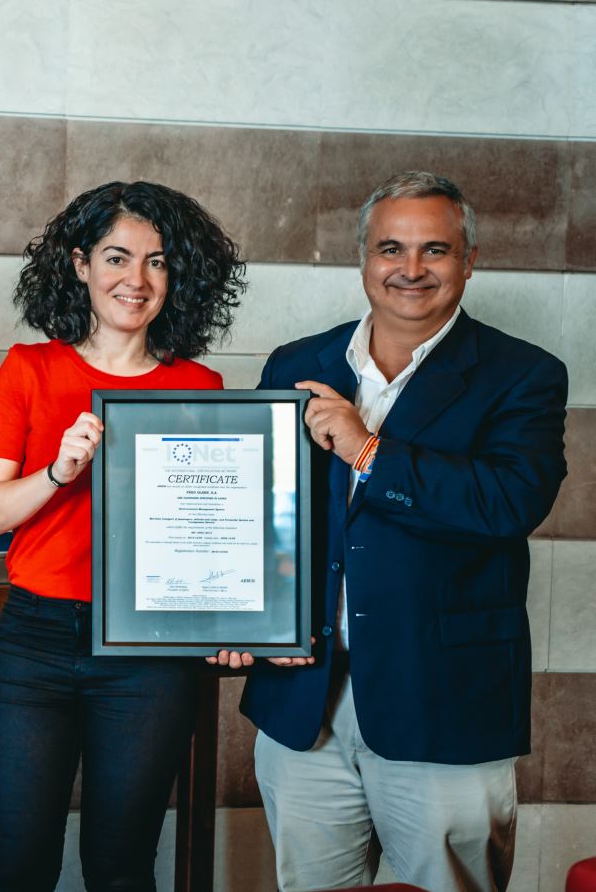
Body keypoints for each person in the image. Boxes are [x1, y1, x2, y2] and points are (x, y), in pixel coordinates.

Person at [218, 172, 567, 891]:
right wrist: (240, 611)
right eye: (391, 248)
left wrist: (368, 448)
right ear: (363, 259)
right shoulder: (295, 364)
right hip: (304, 703)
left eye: (434, 249)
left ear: (469, 260)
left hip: (444, 705)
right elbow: (257, 513)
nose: (411, 269)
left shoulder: (524, 375)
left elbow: (506, 503)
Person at [0, 181, 246, 891]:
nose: (138, 279)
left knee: (121, 869)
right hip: (35, 642)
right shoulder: (28, 368)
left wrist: (234, 616)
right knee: (16, 867)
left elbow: (217, 536)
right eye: (118, 257)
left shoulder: (201, 386)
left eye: (157, 262)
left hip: (150, 655)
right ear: (79, 262)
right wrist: (59, 471)